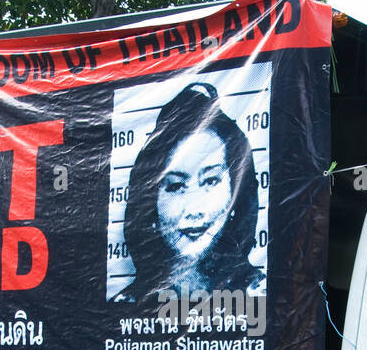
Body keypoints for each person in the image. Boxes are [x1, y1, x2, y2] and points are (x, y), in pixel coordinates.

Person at [112, 82, 263, 304]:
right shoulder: (126, 306)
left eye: (211, 181)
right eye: (175, 186)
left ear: (236, 193)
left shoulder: (262, 296)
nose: (194, 209)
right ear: (150, 203)